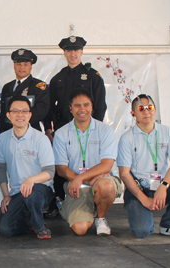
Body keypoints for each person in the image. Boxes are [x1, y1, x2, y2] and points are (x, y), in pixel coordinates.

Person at [118, 94, 170, 238]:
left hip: (161, 187)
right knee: (142, 231)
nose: (146, 111)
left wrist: (163, 186)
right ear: (133, 113)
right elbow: (124, 173)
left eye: (150, 107)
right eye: (141, 108)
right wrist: (143, 198)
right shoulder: (127, 138)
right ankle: (142, 215)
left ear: (155, 110)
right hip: (139, 190)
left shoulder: (167, 132)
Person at [45, 36, 107, 217]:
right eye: (69, 50)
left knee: (90, 162)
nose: (73, 54)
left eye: (76, 50)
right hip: (64, 129)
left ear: (82, 52)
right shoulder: (58, 79)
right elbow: (50, 106)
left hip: (87, 130)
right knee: (61, 166)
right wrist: (49, 129)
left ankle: (94, 201)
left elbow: (100, 105)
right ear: (64, 53)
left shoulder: (93, 76)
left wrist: (95, 130)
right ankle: (59, 202)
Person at [53, 89, 122, 236]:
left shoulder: (105, 130)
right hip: (76, 186)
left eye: (86, 105)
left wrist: (81, 177)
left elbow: (107, 165)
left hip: (100, 180)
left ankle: (100, 218)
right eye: (77, 105)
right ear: (70, 109)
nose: (82, 109)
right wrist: (80, 180)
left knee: (106, 186)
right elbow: (61, 169)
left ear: (92, 107)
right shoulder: (61, 133)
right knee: (80, 229)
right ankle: (67, 206)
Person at [0, 96, 55, 239]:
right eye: (15, 111)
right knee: (5, 229)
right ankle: (31, 220)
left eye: (24, 111)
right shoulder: (3, 139)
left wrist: (31, 180)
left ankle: (40, 227)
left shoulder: (40, 139)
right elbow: (0, 170)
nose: (20, 115)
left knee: (32, 192)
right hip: (18, 192)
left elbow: (50, 172)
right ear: (8, 115)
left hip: (41, 190)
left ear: (30, 115)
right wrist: (6, 196)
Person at [0, 48, 49, 133]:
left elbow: (41, 110)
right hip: (9, 131)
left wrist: (19, 121)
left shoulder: (39, 86)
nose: (22, 67)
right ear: (14, 66)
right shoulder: (7, 87)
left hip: (31, 131)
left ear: (31, 66)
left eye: (26, 64)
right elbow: (4, 112)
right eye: (18, 64)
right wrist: (2, 131)